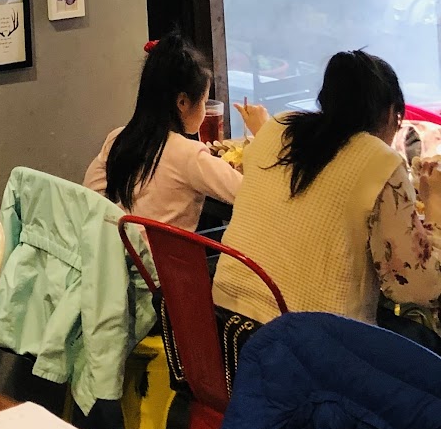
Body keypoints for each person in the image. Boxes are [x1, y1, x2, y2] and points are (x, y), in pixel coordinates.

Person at [213, 51, 441, 352]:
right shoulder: (380, 161)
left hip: (226, 327)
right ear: (389, 115)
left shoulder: (278, 127)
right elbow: (419, 287)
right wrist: (435, 202)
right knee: (427, 341)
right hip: (313, 350)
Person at [84, 32, 243, 229]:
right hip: (160, 251)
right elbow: (249, 193)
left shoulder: (117, 138)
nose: (204, 109)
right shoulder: (189, 155)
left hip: (116, 245)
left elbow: (89, 197)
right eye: (203, 101)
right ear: (182, 102)